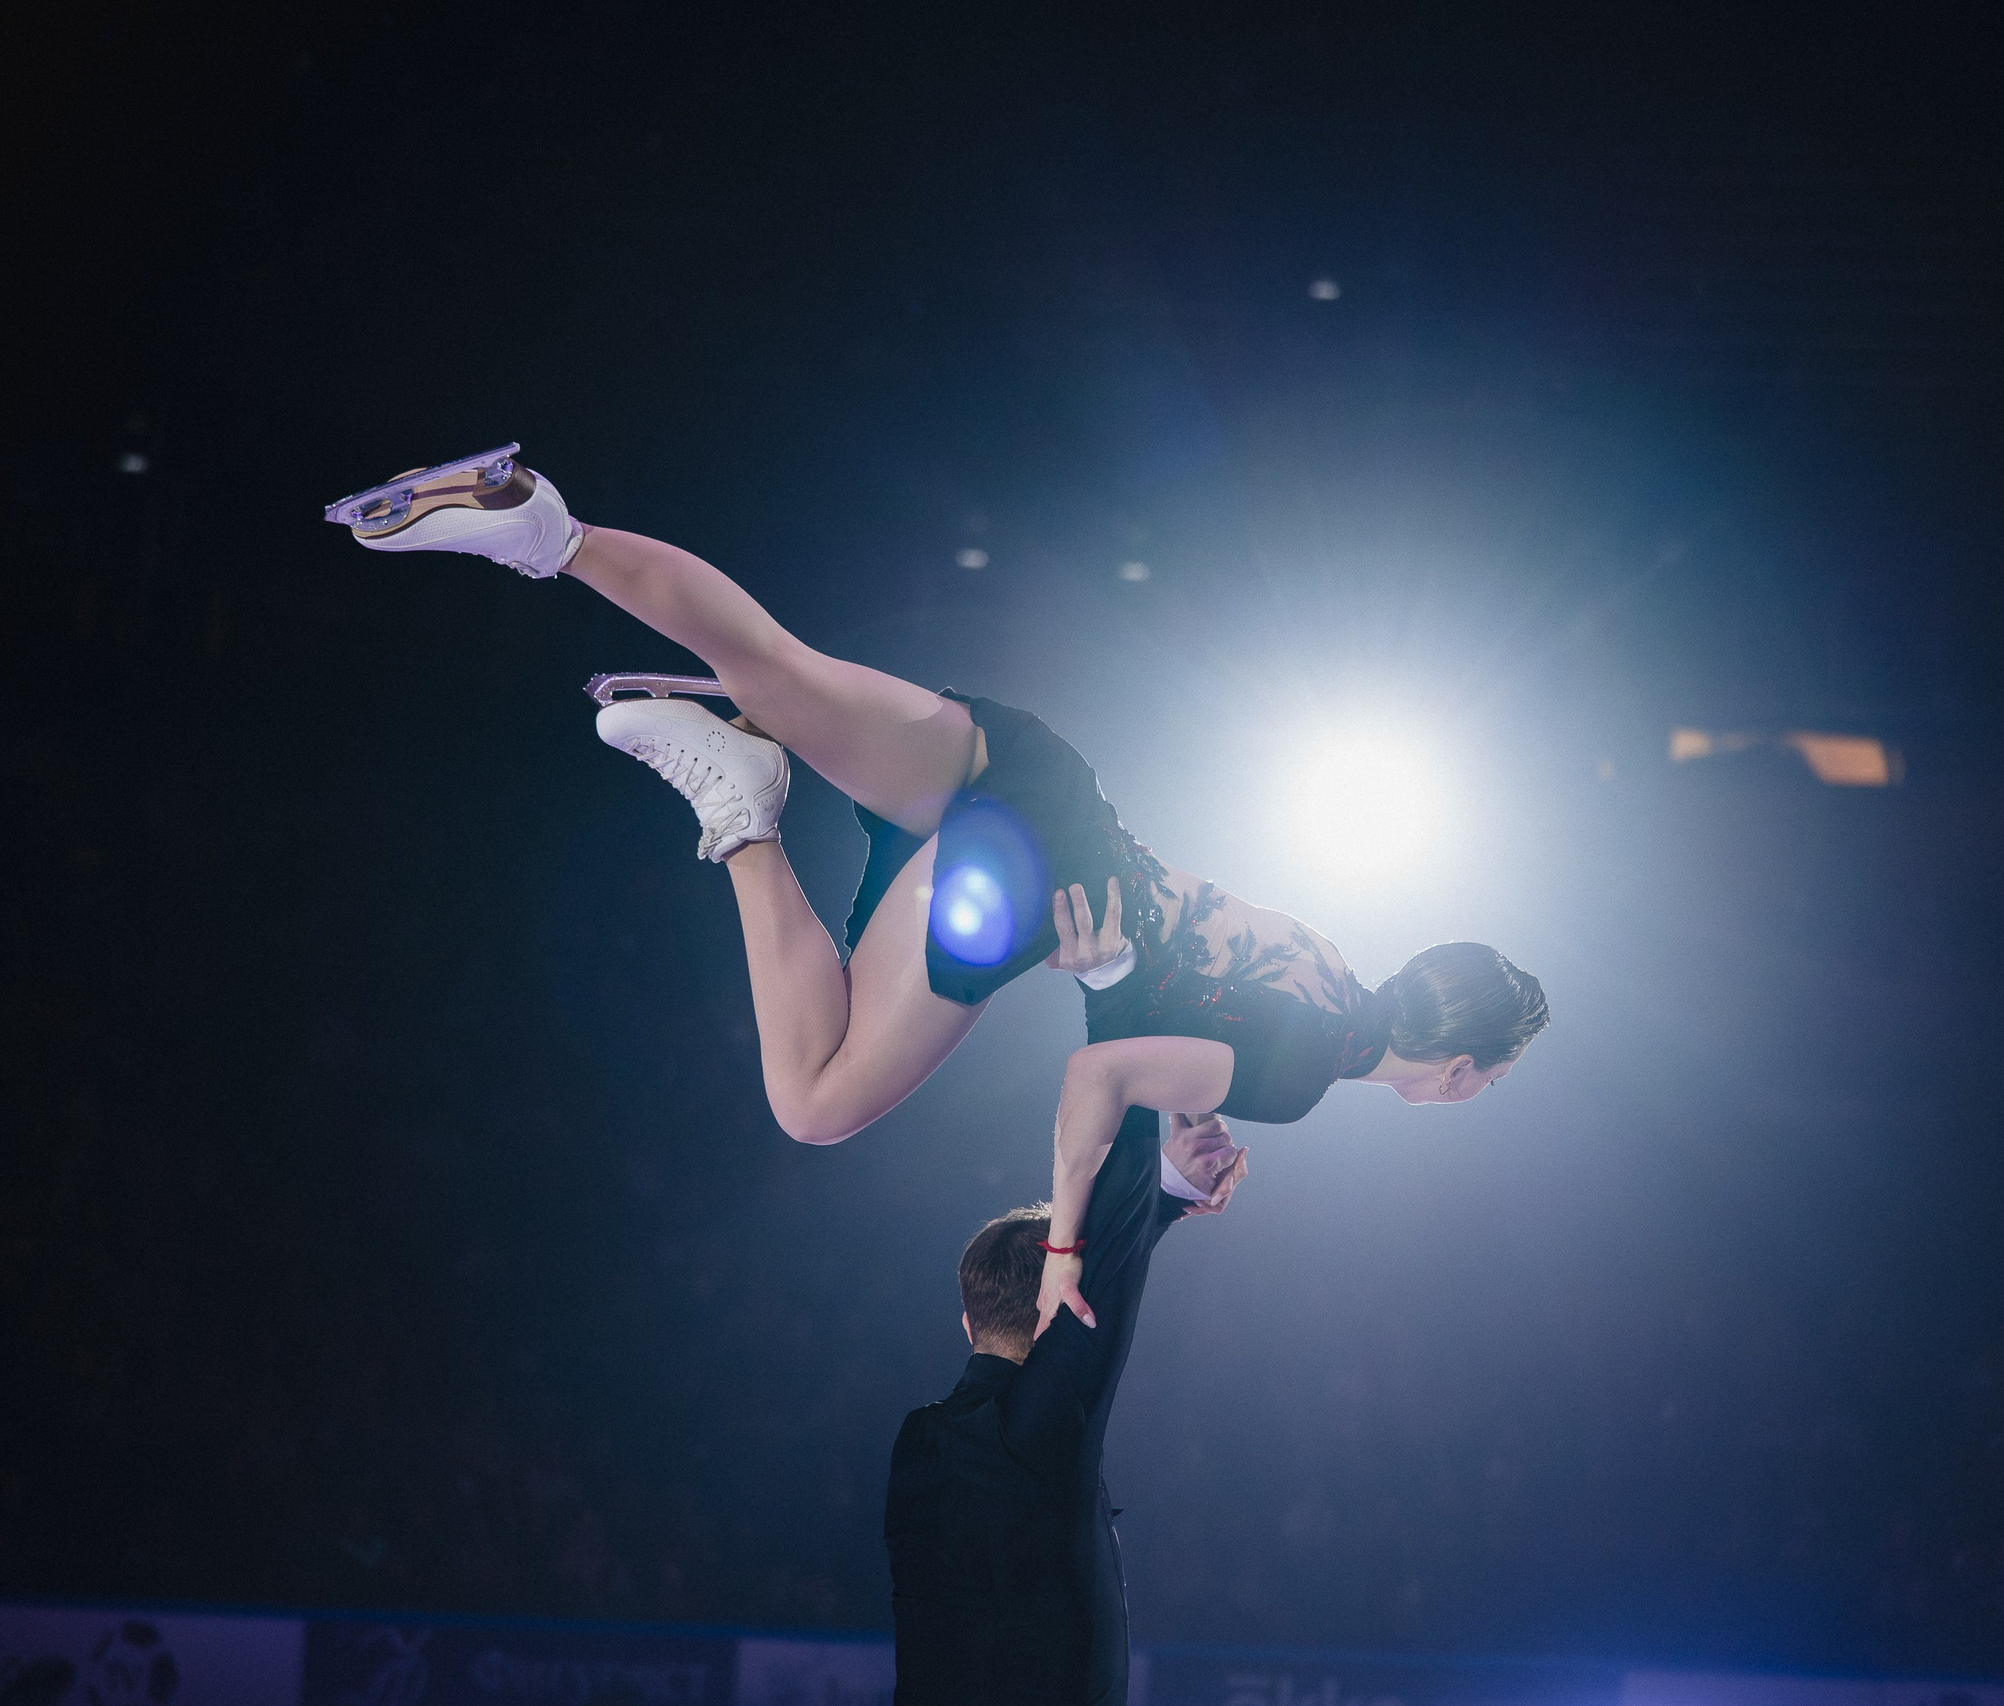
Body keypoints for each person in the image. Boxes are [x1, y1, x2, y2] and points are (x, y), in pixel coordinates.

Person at [323, 447, 1549, 1148]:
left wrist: (1180, 1121)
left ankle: (547, 529)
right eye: (1491, 1078)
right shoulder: (1303, 1076)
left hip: (1042, 777)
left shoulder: (1328, 962)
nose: (1479, 1093)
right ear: (1456, 1066)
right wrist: (1156, 1104)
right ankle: (740, 808)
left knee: (781, 664)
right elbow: (1119, 1044)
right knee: (813, 1101)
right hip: (1015, 888)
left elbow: (1188, 993)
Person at [888, 1100, 1246, 1705]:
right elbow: (1097, 1299)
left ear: (968, 1326)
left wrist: (1164, 1198)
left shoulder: (917, 1442)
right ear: (1055, 1306)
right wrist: (1136, 1082)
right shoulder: (1031, 1438)